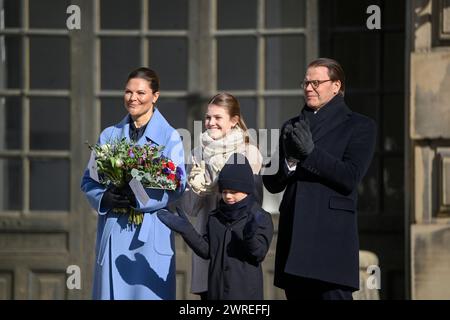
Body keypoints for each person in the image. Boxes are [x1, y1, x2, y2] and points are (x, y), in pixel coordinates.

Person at [263, 58, 377, 300]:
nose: (308, 87)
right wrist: (290, 161)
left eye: (316, 82)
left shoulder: (359, 126)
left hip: (331, 243)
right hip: (295, 241)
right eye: (305, 82)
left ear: (336, 86)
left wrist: (311, 154)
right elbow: (272, 182)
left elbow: (349, 177)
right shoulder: (291, 126)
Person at [80, 67, 186, 300]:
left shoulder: (170, 137)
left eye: (140, 93)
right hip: (114, 229)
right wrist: (102, 198)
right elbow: (89, 180)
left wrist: (139, 197)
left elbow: (177, 185)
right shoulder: (109, 135)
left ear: (155, 96)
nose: (133, 98)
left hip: (149, 237)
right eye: (128, 92)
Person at [180, 92, 263, 299]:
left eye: (218, 118)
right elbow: (190, 208)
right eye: (208, 117)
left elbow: (252, 203)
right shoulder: (196, 153)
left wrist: (216, 182)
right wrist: (199, 187)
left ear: (234, 120)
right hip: (206, 245)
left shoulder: (248, 153)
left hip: (235, 248)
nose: (211, 123)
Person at [159, 153, 273, 300]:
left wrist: (250, 235)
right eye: (225, 192)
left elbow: (258, 253)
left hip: (245, 296)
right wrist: (186, 230)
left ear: (247, 190)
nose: (228, 196)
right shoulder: (215, 217)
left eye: (234, 192)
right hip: (216, 293)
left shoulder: (259, 217)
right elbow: (207, 250)